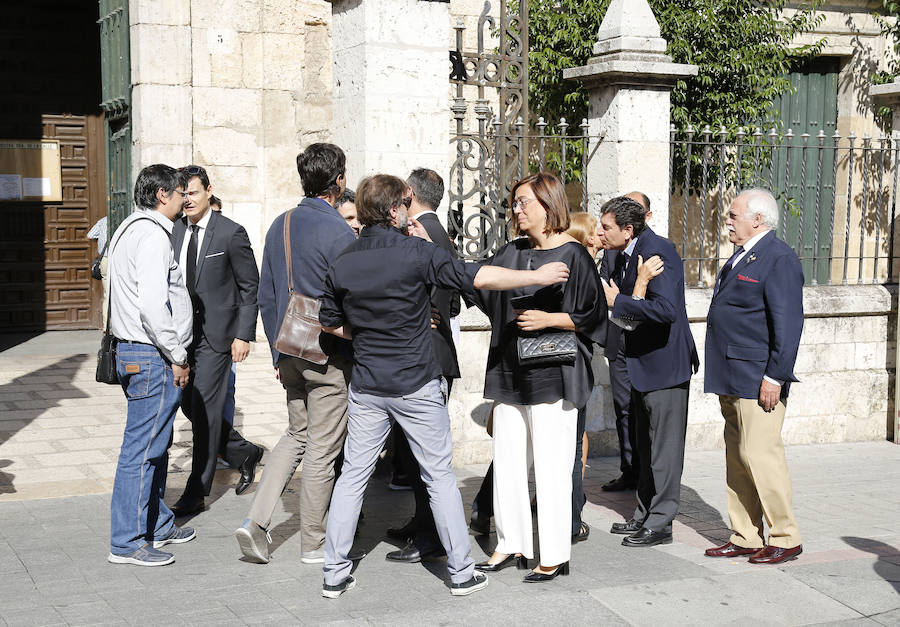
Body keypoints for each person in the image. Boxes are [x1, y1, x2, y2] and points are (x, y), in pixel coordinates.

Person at [318, 173, 570, 598]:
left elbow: (329, 322)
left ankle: (333, 573)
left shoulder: (344, 258)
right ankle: (461, 572)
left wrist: (365, 330)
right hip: (415, 382)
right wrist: (539, 278)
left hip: (367, 385)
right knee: (438, 476)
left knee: (353, 478)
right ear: (397, 209)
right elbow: (479, 277)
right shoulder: (417, 252)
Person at [474, 172, 605, 582]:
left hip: (555, 371)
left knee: (552, 465)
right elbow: (482, 291)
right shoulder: (510, 251)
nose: (516, 209)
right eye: (514, 202)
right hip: (510, 369)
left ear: (549, 205)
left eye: (523, 202)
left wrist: (551, 318)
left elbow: (596, 317)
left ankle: (553, 554)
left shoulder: (574, 255)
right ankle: (510, 543)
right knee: (509, 461)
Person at [234, 143, 356, 565]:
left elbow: (267, 295)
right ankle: (313, 543)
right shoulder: (339, 231)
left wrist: (275, 353)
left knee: (295, 435)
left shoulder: (280, 224)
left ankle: (256, 523)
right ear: (338, 180)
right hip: (328, 351)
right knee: (323, 447)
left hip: (287, 348)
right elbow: (349, 296)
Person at [703, 188, 804, 564]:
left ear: (757, 220)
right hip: (731, 373)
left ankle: (786, 536)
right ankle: (745, 534)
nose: (728, 221)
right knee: (738, 457)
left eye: (733, 215)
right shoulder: (742, 255)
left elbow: (788, 324)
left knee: (762, 455)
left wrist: (775, 377)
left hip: (757, 376)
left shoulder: (778, 259)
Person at [106, 164, 194, 566]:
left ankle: (157, 523)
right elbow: (153, 306)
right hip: (151, 354)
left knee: (157, 445)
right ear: (163, 195)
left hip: (134, 352)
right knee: (141, 451)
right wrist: (176, 354)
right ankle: (127, 542)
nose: (185, 200)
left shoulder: (127, 228)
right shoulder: (154, 237)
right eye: (180, 193)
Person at [599, 195, 699, 548]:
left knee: (664, 450)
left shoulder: (658, 251)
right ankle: (643, 514)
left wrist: (619, 301)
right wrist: (624, 303)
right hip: (639, 364)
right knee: (645, 446)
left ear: (628, 230)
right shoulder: (624, 257)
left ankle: (661, 522)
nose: (601, 231)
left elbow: (666, 310)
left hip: (664, 367)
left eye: (607, 226)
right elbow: (627, 320)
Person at [169, 166, 263, 516]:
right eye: (183, 194)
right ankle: (243, 452)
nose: (188, 200)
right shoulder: (173, 230)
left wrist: (243, 334)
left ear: (209, 191)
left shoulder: (230, 233)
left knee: (205, 407)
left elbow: (249, 287)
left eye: (193, 192)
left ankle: (196, 491)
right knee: (189, 406)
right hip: (182, 336)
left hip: (217, 336)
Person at [385, 167, 463, 563]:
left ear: (410, 193)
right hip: (428, 354)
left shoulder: (425, 232)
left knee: (425, 457)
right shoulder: (433, 231)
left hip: (427, 356)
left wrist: (428, 312)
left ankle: (431, 537)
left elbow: (446, 294)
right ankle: (421, 525)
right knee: (414, 454)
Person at [599, 191, 652, 493]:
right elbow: (607, 288)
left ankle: (646, 472)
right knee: (623, 407)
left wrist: (624, 296)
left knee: (644, 408)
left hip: (645, 342)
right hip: (617, 339)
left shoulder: (654, 251)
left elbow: (623, 296)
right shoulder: (609, 252)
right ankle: (629, 469)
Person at [207, 195, 237, 429]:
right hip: (195, 332)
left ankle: (222, 446)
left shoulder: (230, 236)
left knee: (227, 388)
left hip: (224, 331)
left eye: (218, 214)